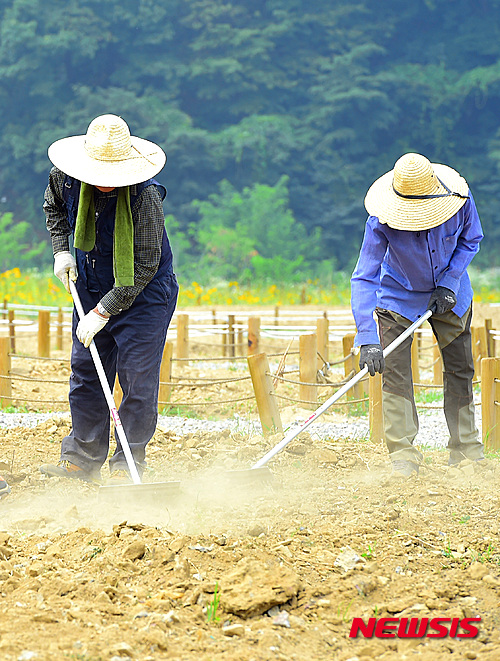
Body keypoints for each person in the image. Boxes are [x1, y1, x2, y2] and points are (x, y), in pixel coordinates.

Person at [41, 114, 178, 484]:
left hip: (145, 293)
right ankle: (81, 460)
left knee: (137, 377)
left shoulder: (145, 196)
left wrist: (104, 311)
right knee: (86, 372)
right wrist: (61, 252)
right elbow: (54, 209)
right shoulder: (64, 178)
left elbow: (144, 266)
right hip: (88, 280)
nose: (103, 182)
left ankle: (127, 465)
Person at [351, 152, 485, 477]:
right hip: (397, 296)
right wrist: (367, 339)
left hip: (450, 296)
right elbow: (364, 277)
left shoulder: (460, 203)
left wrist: (450, 281)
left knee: (460, 369)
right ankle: (404, 456)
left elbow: (471, 240)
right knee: (394, 374)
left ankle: (465, 449)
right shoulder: (380, 222)